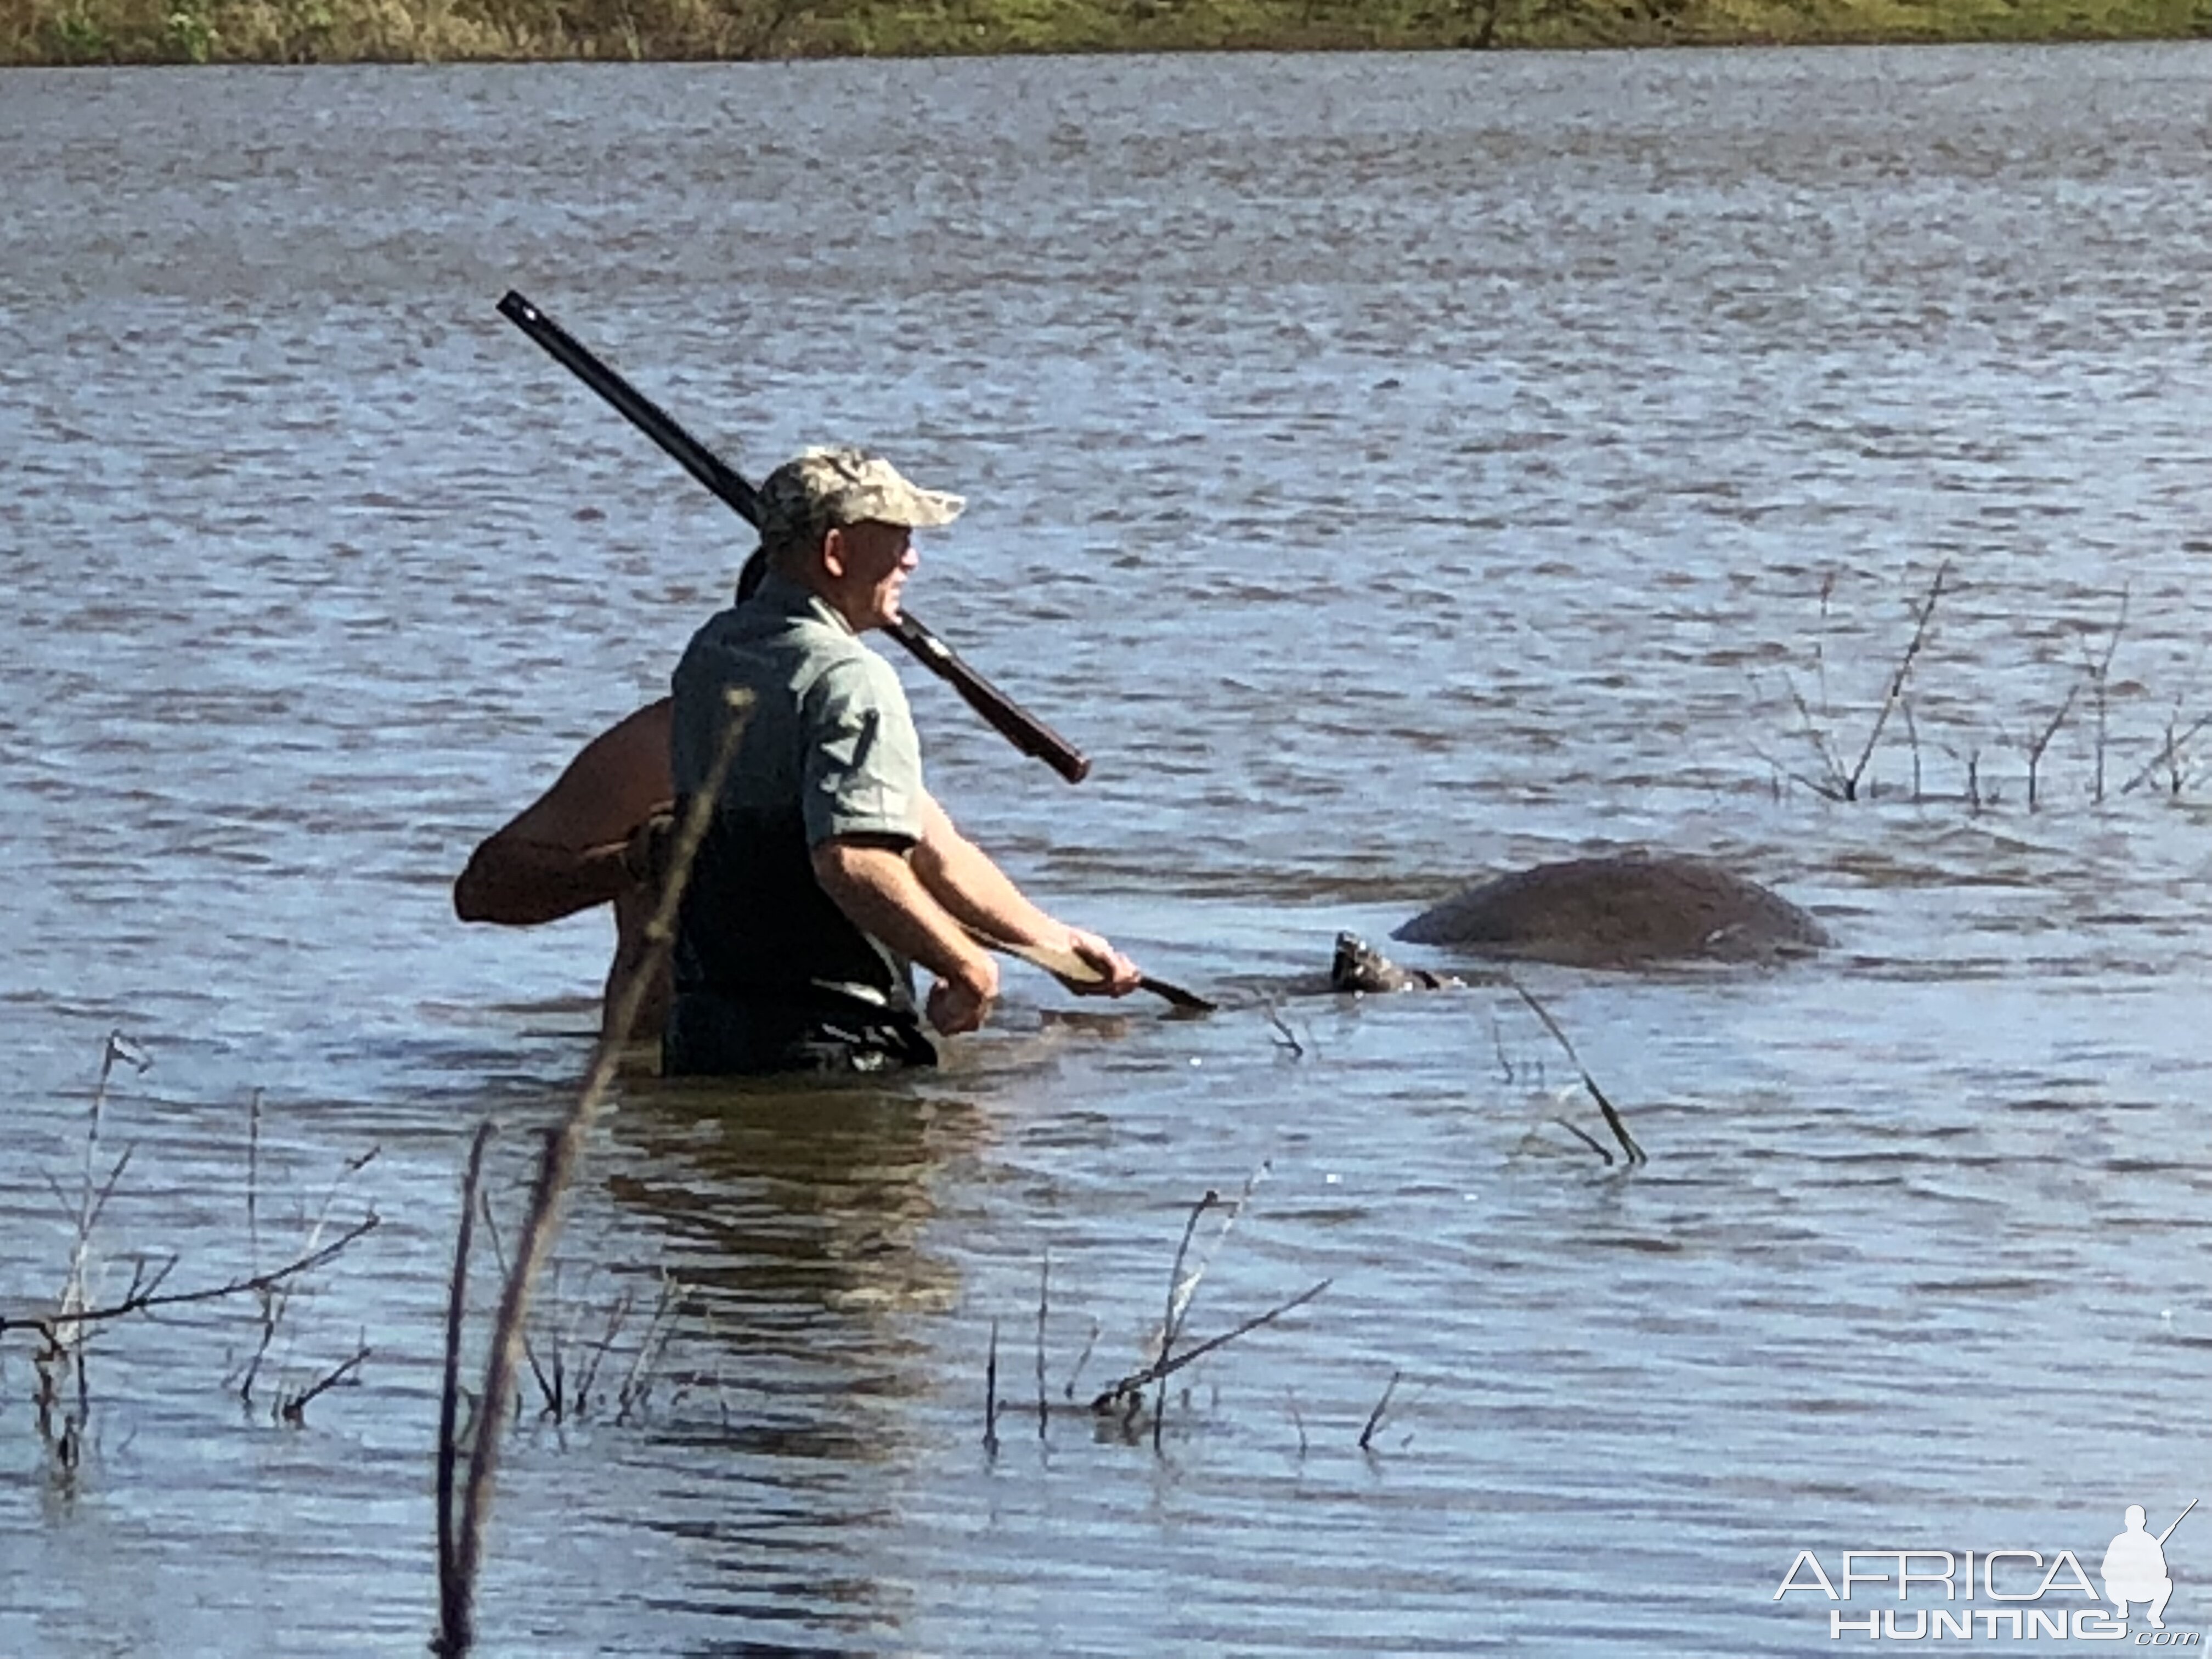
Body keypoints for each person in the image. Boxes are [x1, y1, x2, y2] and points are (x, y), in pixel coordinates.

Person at [660, 445, 1142, 1076]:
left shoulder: (711, 652)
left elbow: (927, 842)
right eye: (898, 538)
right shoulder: (852, 678)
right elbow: (851, 860)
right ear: (835, 553)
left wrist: (1052, 943)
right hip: (834, 1044)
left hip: (705, 1036)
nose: (912, 558)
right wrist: (965, 965)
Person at [2101, 1504, 2174, 1628]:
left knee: (2167, 1583)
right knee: (2110, 1583)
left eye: (2138, 1520)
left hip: (2144, 1589)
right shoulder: (2118, 1541)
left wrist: (2147, 1572)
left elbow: (2163, 1571)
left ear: (2144, 1522)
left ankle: (2154, 1615)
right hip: (2122, 1589)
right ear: (2126, 1522)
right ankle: (2122, 1606)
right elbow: (2105, 1570)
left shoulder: (2151, 1542)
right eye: (2132, 1520)